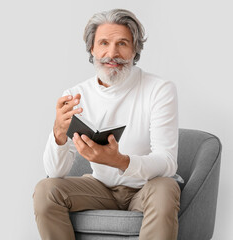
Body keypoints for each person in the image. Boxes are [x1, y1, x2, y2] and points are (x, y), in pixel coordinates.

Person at [33, 9, 181, 240]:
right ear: (92, 49)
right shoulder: (76, 94)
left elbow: (168, 163)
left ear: (135, 49)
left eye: (122, 43)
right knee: (45, 190)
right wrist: (58, 134)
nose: (112, 53)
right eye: (104, 43)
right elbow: (55, 172)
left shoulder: (159, 89)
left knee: (166, 188)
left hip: (146, 187)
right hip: (100, 188)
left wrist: (119, 161)